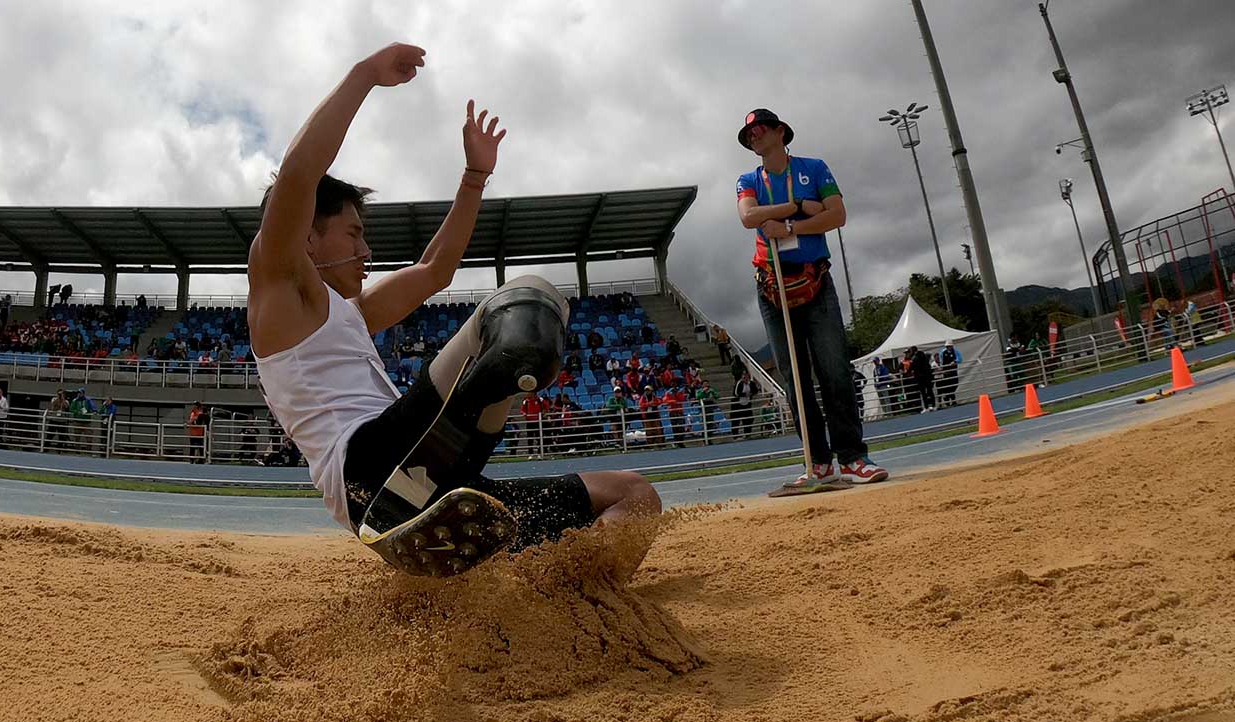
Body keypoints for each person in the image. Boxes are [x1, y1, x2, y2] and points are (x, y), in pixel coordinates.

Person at [247, 43, 658, 579]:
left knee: (634, 496)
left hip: (433, 479)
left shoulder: (350, 315)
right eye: (354, 233)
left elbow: (436, 270)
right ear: (306, 236)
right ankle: (408, 506)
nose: (367, 252)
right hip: (369, 470)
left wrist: (473, 178)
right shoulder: (279, 288)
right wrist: (365, 75)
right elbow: (300, 173)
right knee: (523, 300)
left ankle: (574, 604)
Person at [735, 108, 886, 484]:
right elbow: (749, 218)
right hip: (771, 284)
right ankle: (816, 459)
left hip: (814, 279)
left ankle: (852, 456)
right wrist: (800, 206)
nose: (754, 134)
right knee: (794, 378)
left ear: (781, 132)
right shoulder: (747, 179)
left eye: (761, 128)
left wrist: (786, 223)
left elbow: (836, 215)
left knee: (833, 368)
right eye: (749, 132)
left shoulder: (815, 168)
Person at [909, 346, 936, 414]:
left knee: (923, 393)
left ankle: (926, 407)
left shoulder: (914, 358)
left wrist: (909, 371)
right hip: (927, 376)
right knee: (930, 391)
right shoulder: (924, 356)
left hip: (920, 377)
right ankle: (933, 405)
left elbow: (911, 368)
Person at [732, 370, 758, 438]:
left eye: (746, 375)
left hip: (747, 403)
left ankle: (747, 434)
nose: (745, 377)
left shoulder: (751, 383)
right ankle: (735, 436)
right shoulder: (739, 383)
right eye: (743, 375)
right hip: (737, 405)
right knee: (736, 420)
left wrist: (751, 393)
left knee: (749, 419)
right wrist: (745, 394)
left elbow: (756, 390)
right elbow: (736, 393)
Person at [936, 341, 961, 409]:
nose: (949, 347)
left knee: (955, 384)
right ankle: (951, 400)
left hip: (953, 371)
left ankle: (948, 397)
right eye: (947, 346)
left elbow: (960, 359)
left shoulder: (955, 351)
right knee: (948, 386)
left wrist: (955, 361)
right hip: (946, 371)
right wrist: (942, 368)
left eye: (950, 346)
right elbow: (941, 361)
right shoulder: (943, 352)